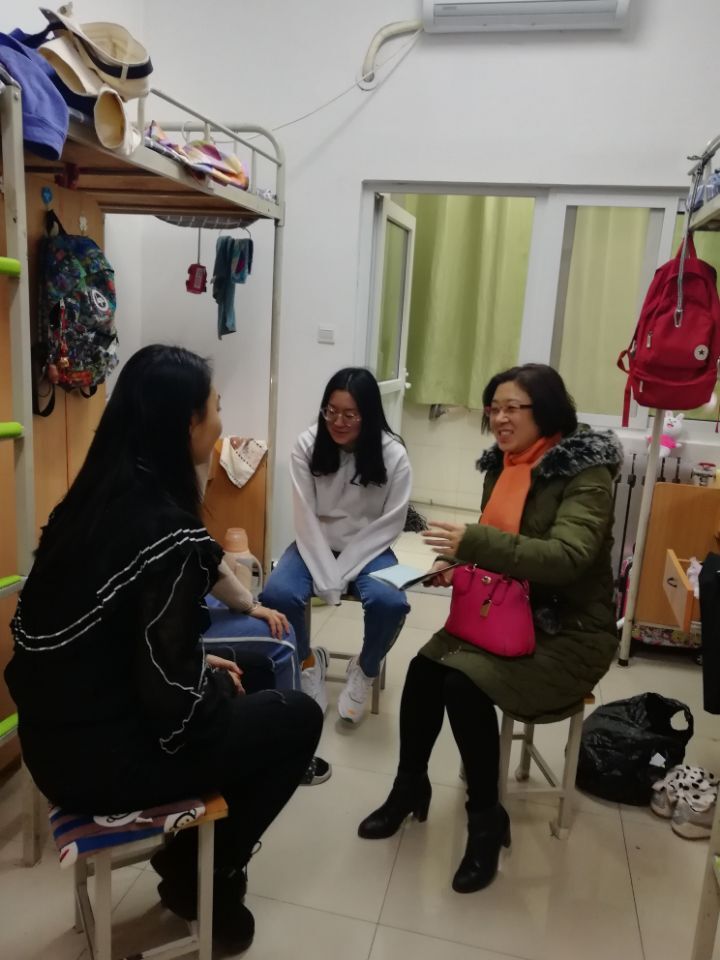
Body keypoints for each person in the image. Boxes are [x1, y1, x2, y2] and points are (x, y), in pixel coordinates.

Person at [4, 344, 323, 952]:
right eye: (216, 408)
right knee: (297, 716)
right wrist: (209, 685)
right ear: (188, 425)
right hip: (102, 766)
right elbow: (176, 710)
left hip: (49, 743)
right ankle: (201, 875)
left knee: (251, 668)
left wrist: (199, 664)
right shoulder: (165, 531)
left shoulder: (87, 504)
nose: (221, 422)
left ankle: (194, 859)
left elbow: (105, 640)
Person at [357, 363, 622, 893]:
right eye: (494, 408)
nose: (499, 418)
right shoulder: (502, 466)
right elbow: (498, 541)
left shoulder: (586, 474)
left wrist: (474, 543)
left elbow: (567, 557)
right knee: (424, 669)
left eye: (512, 408)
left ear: (545, 411)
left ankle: (486, 820)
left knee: (464, 684)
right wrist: (454, 563)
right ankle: (409, 788)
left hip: (568, 631)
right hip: (502, 610)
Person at [261, 367, 412, 724]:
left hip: (371, 548)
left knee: (391, 602)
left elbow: (390, 523)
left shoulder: (393, 455)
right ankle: (308, 661)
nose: (338, 422)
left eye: (350, 415)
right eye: (331, 411)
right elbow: (305, 517)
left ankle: (365, 668)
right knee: (276, 594)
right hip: (314, 542)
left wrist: (340, 572)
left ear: (369, 415)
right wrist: (326, 570)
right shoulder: (307, 444)